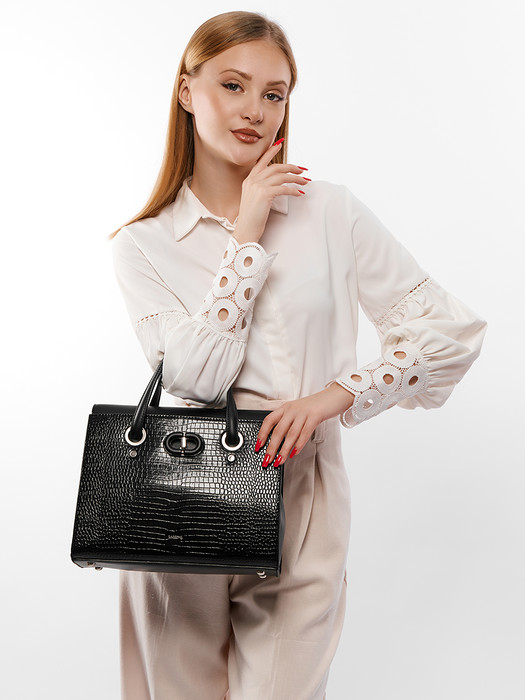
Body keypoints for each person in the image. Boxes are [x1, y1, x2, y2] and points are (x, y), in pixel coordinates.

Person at [110, 10, 487, 700]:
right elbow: (196, 375)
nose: (254, 110)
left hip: (303, 484)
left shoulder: (331, 211)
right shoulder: (143, 244)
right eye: (232, 85)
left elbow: (450, 331)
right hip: (183, 494)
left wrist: (332, 398)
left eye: (274, 93)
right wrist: (246, 236)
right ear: (187, 91)